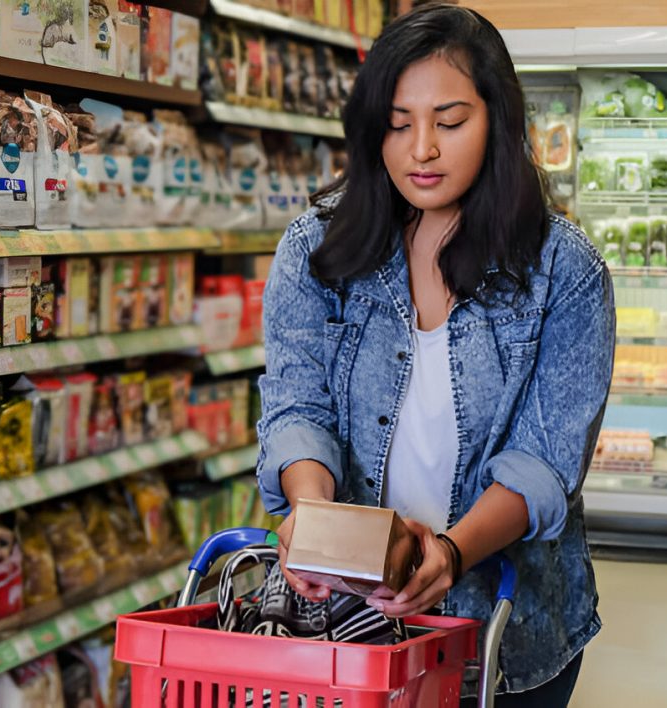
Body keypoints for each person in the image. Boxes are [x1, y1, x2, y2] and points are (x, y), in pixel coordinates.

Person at [255, 4, 615, 707]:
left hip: (508, 636)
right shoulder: (316, 251)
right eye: (398, 123)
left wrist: (448, 554)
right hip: (343, 632)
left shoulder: (565, 274)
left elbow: (544, 463)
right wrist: (311, 518)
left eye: (449, 123)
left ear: (499, 123)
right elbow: (297, 405)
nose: (421, 148)